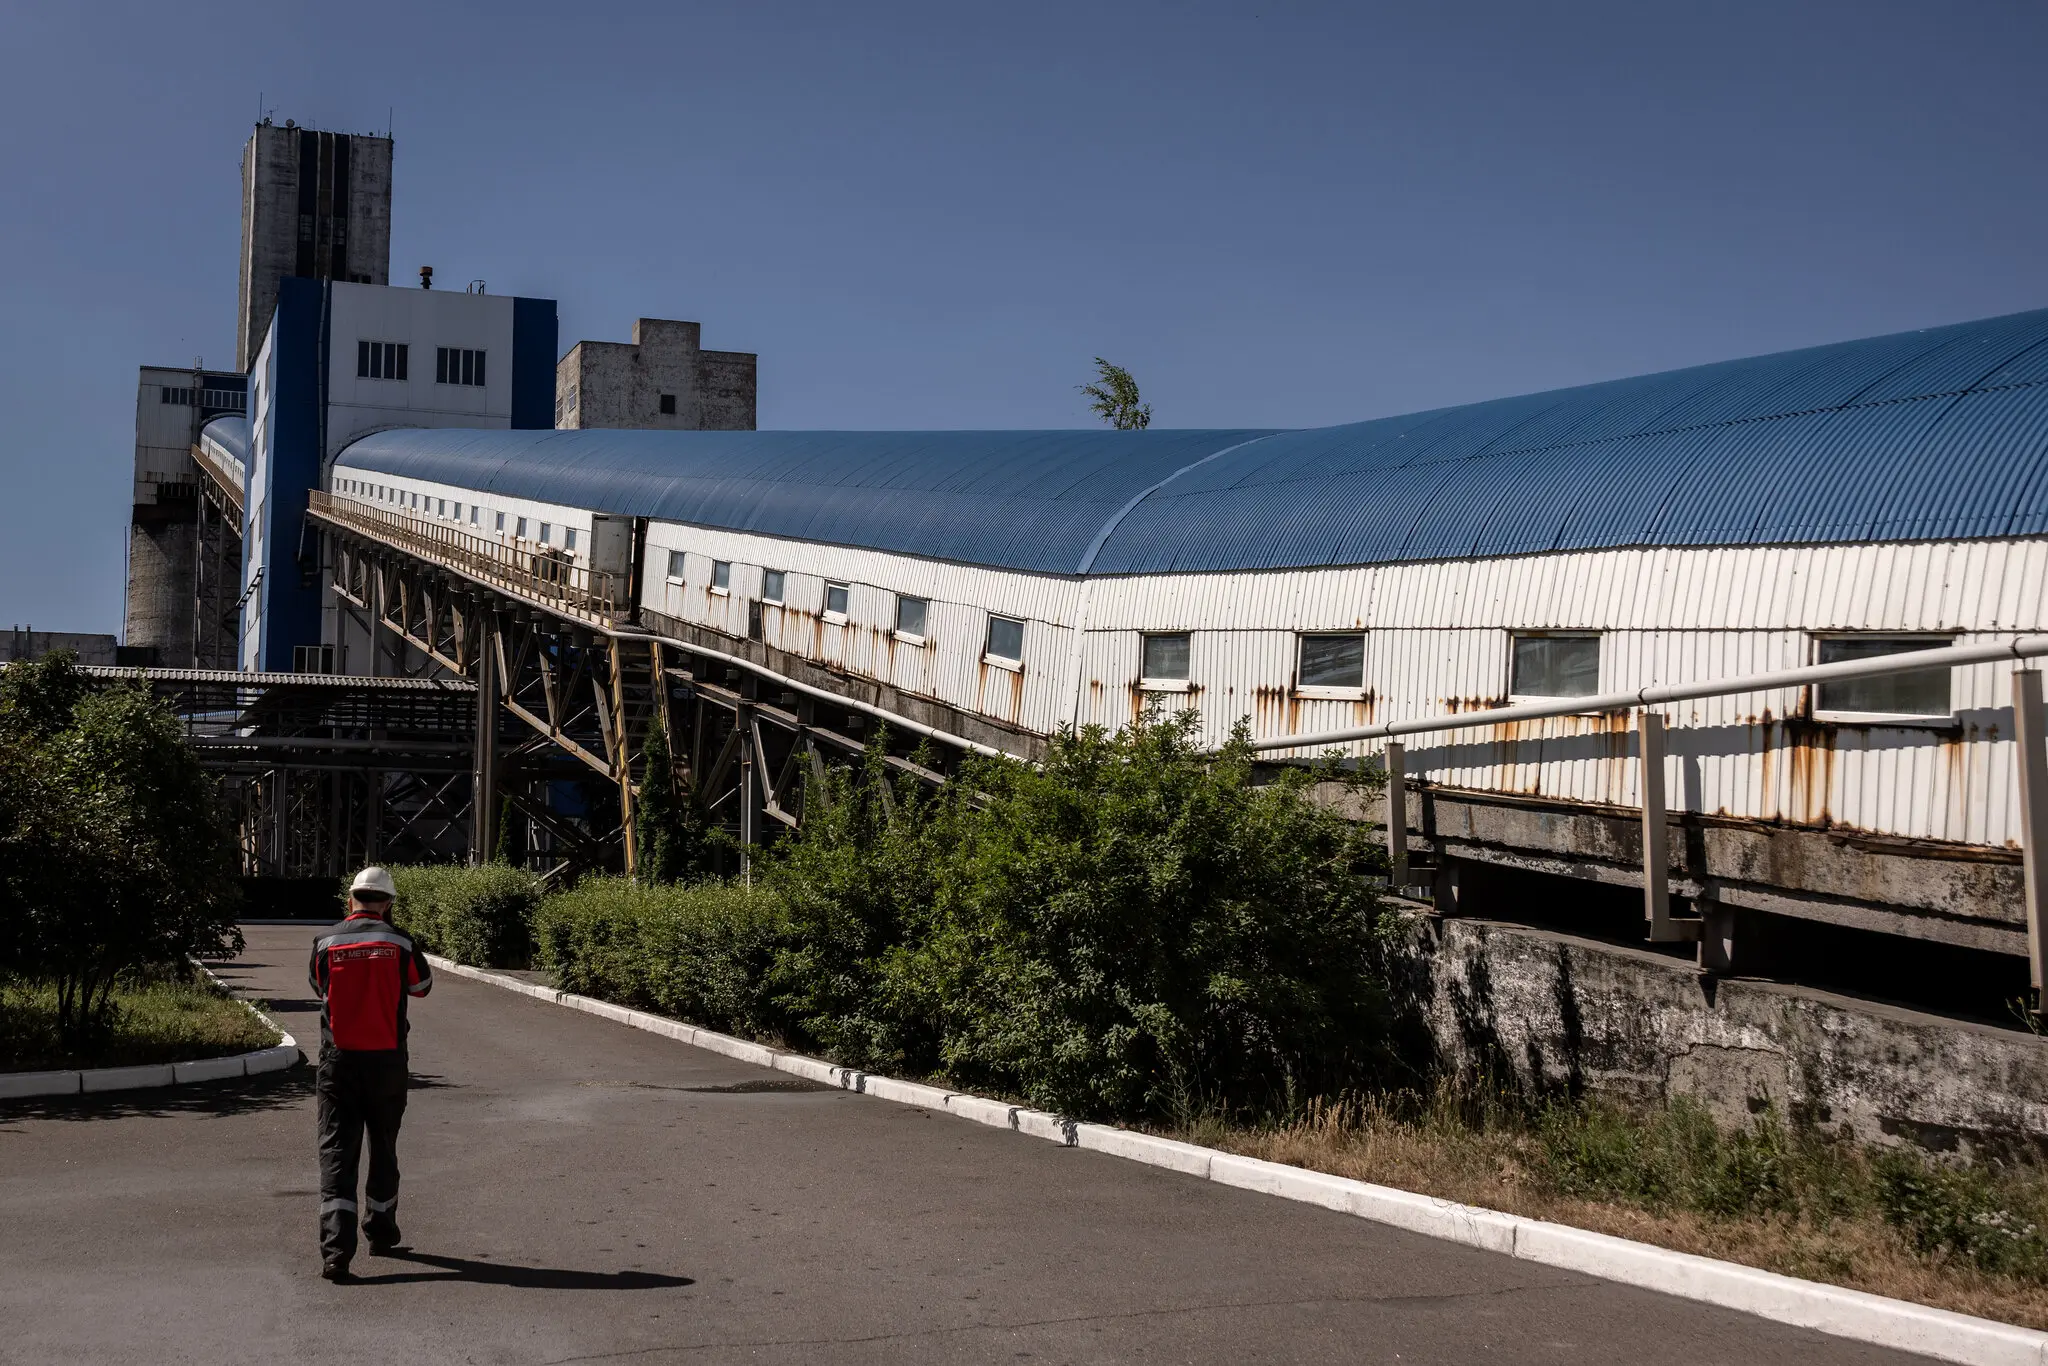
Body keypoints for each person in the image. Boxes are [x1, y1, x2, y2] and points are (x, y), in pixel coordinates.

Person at [307, 866, 433, 1281]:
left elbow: (317, 985)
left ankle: (336, 1253)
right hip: (386, 1063)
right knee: (383, 1146)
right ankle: (380, 1231)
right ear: (389, 904)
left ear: (351, 901)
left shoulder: (325, 942)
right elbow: (422, 987)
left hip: (338, 1063)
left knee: (337, 1153)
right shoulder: (400, 942)